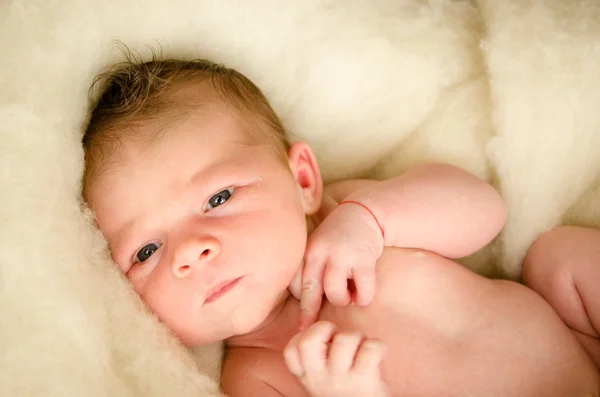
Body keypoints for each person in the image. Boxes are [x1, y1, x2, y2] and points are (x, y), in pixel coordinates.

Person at [82, 54, 599, 397]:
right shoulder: (257, 375)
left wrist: (372, 220)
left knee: (558, 256)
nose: (190, 252)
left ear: (302, 179)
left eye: (217, 197)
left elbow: (486, 210)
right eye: (146, 251)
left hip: (581, 348)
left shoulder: (346, 209)